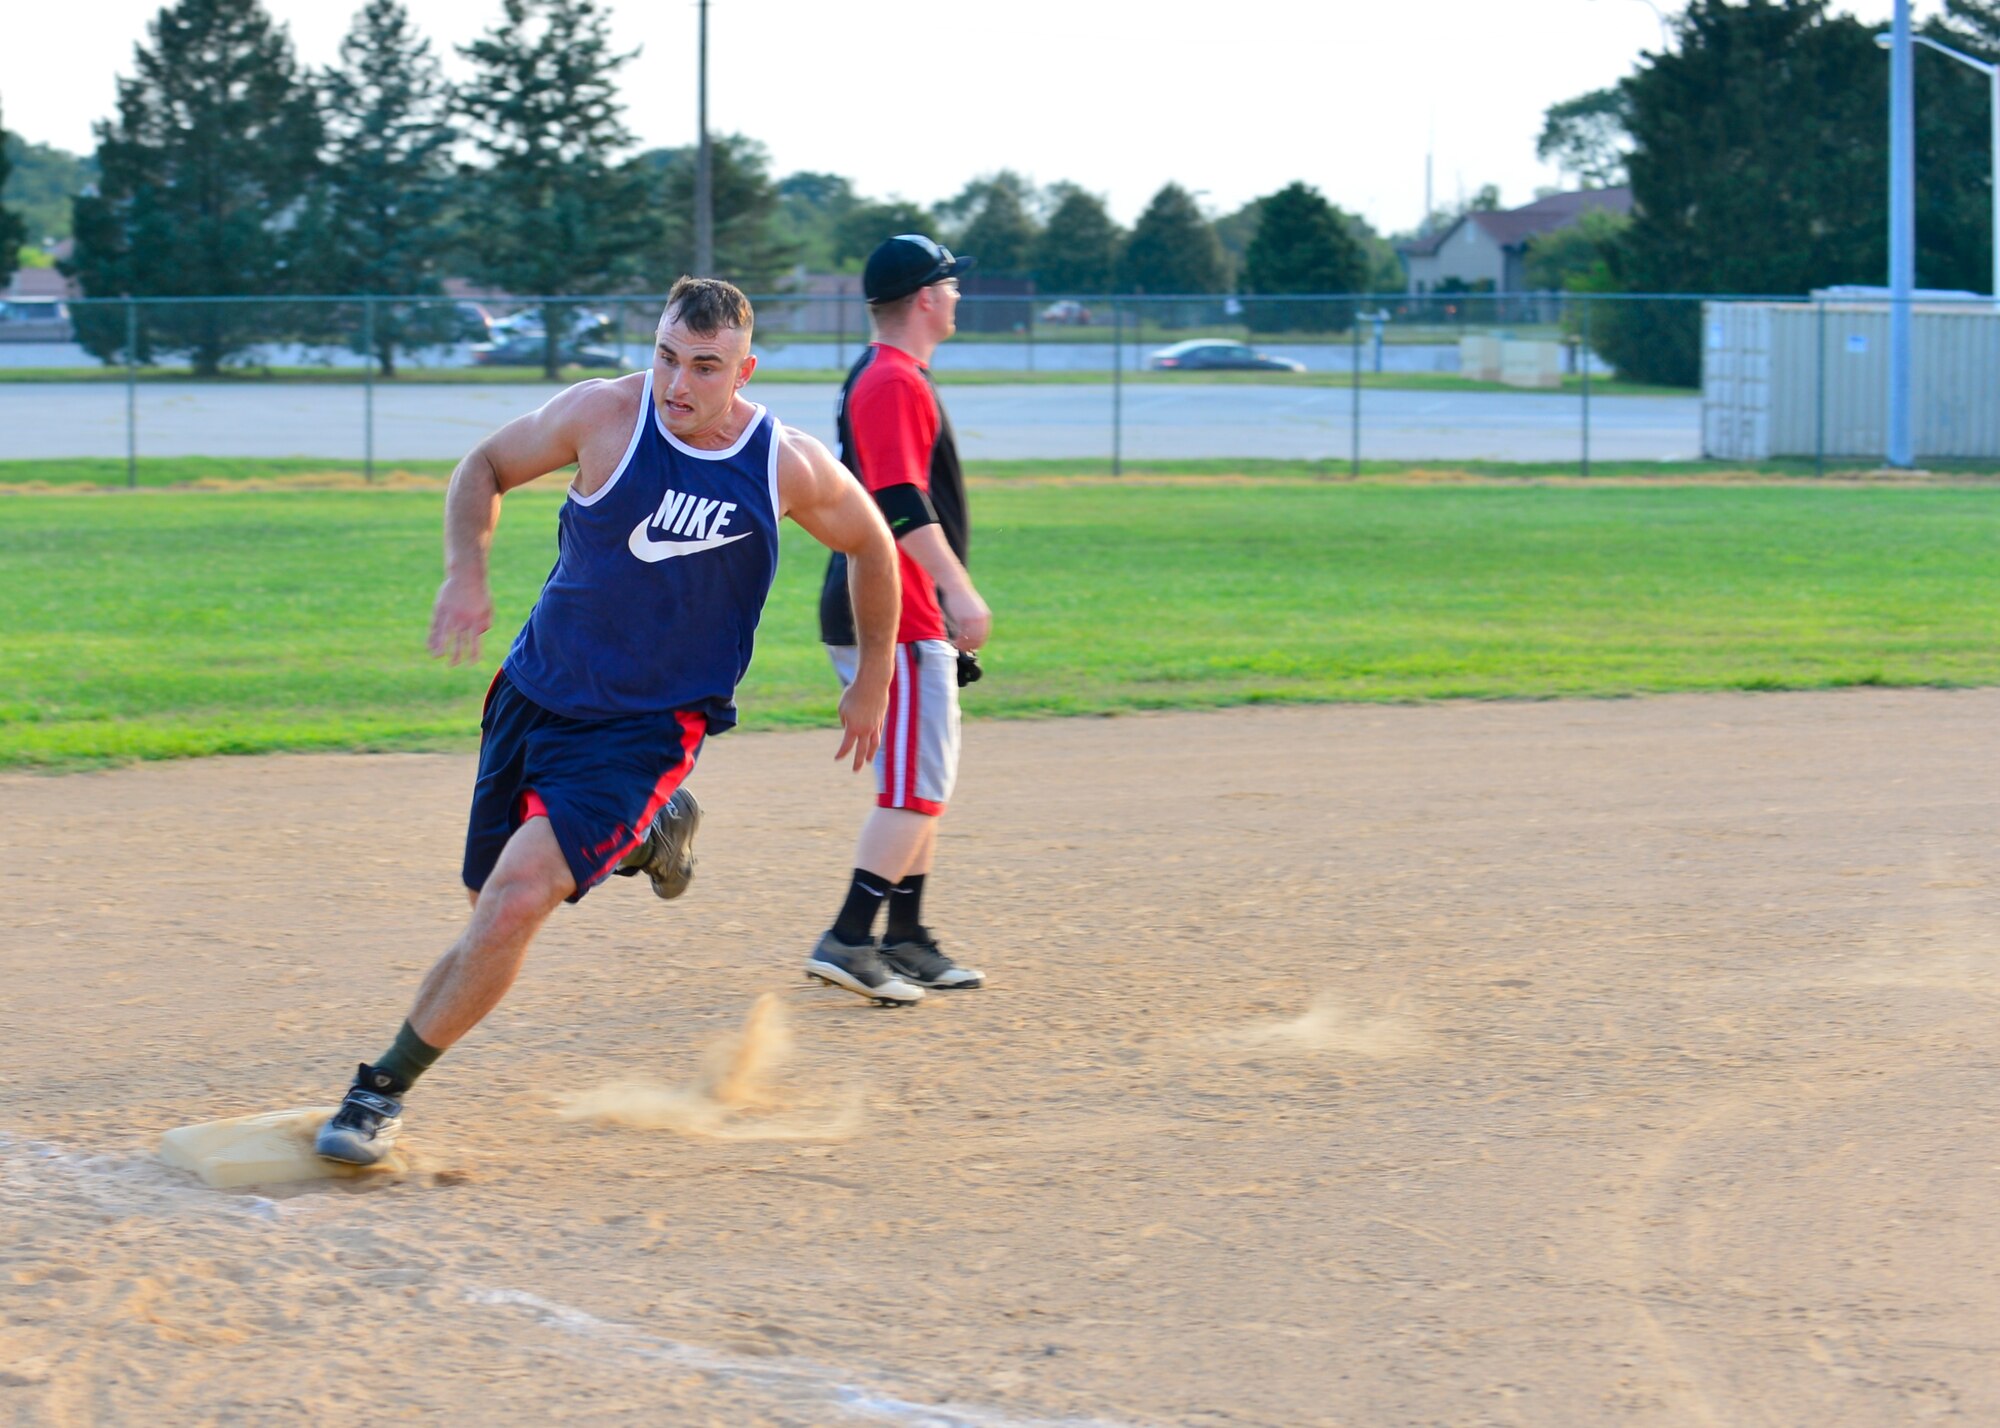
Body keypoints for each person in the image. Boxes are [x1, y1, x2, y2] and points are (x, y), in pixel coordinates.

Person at [315, 276, 903, 1167]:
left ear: (744, 370)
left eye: (705, 367)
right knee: (488, 909)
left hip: (649, 725)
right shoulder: (602, 416)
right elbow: (483, 468)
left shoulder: (783, 463)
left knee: (516, 901)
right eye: (666, 356)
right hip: (535, 692)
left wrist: (873, 675)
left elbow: (872, 543)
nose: (677, 384)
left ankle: (377, 1093)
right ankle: (646, 834)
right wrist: (463, 571)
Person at [808, 234, 993, 999]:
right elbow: (897, 500)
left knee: (922, 779)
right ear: (924, 298)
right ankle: (850, 937)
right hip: (898, 609)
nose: (956, 297)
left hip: (897, 607)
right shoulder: (891, 380)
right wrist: (955, 590)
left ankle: (907, 936)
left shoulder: (895, 374)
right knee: (917, 787)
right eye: (950, 286)